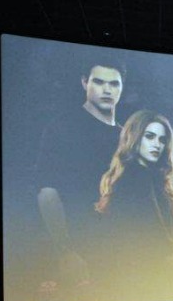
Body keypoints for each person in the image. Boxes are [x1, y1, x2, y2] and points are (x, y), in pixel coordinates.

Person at [35, 57, 126, 286]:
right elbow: (46, 192)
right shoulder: (62, 128)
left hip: (121, 250)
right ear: (85, 82)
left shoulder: (127, 136)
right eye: (99, 82)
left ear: (122, 87)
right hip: (78, 251)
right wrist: (65, 251)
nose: (107, 90)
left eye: (114, 83)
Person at [94, 110, 173, 268]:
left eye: (162, 139)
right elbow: (152, 234)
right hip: (141, 270)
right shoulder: (135, 178)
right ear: (135, 138)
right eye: (149, 136)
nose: (157, 144)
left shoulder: (153, 177)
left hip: (149, 268)